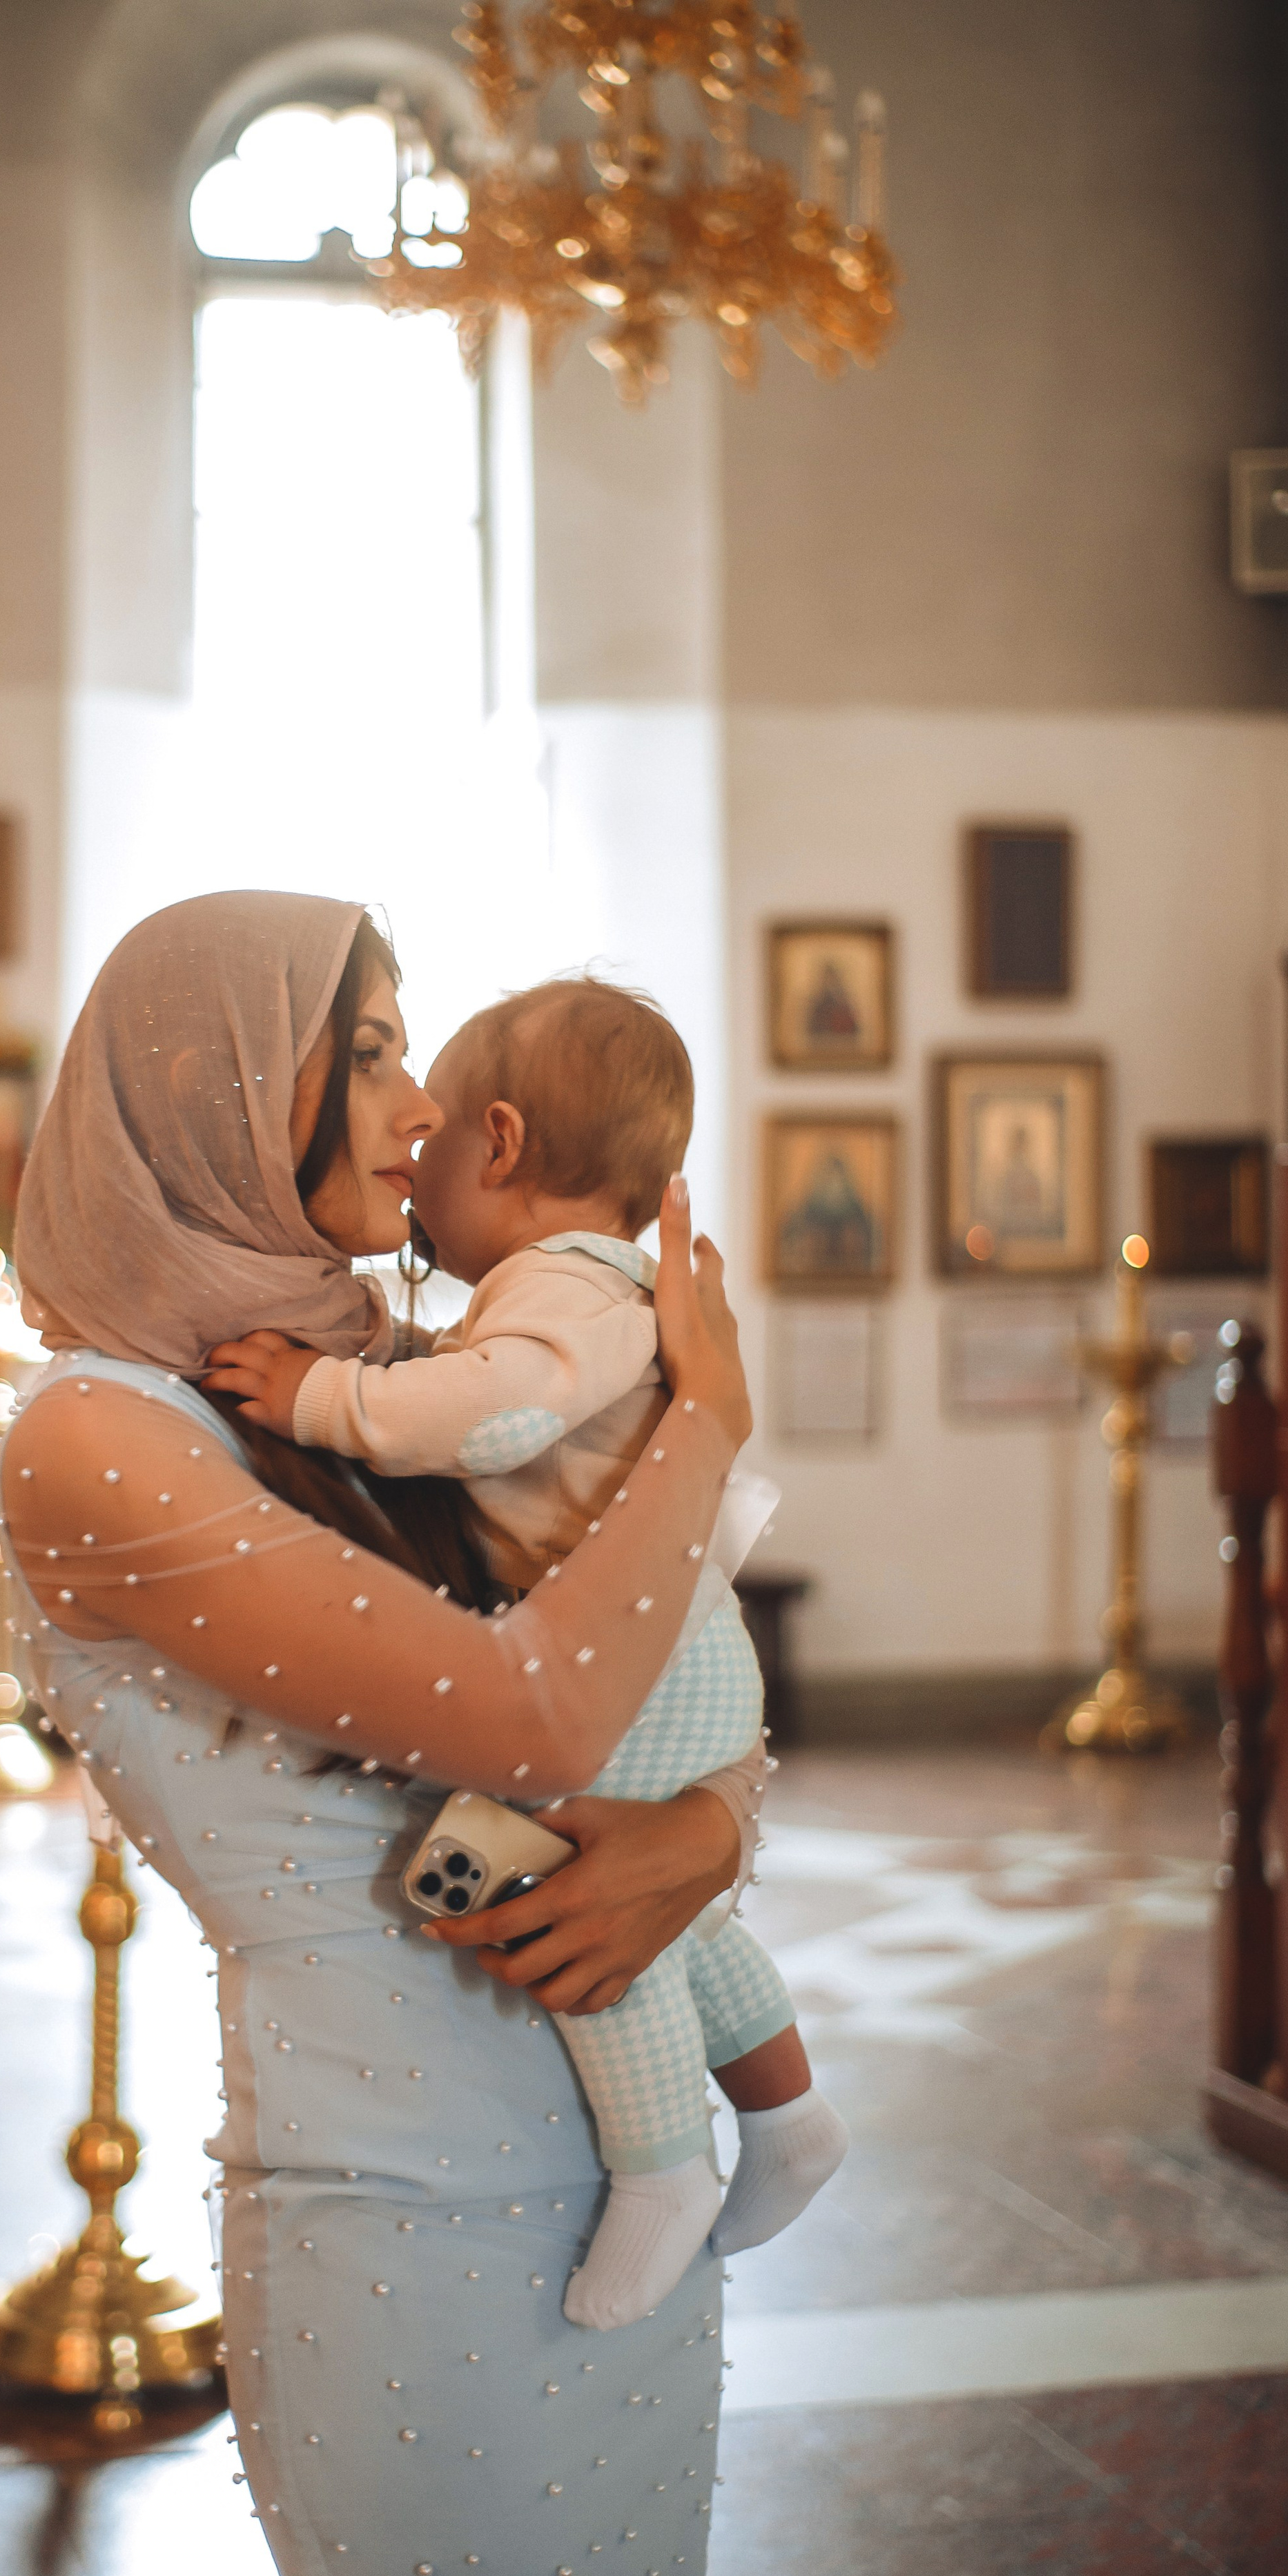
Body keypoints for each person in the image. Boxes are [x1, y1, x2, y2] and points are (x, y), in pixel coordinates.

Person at [0, 892, 758, 2576]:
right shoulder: (94, 1434)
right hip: (408, 2211)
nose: (421, 1108)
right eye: (367, 1054)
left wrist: (705, 1837)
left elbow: (655, 1680)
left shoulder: (385, 1380)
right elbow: (534, 1712)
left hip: (621, 2155)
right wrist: (703, 1425)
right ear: (212, 1090)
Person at [207, 978, 848, 2334]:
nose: (413, 1131)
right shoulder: (588, 1286)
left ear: (497, 1144)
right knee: (683, 1914)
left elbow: (494, 1417)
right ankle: (787, 2117)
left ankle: (662, 2169)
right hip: (673, 1644)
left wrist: (319, 1395)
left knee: (566, 1895)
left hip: (642, 1659)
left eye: (434, 1117)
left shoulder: (560, 1288)